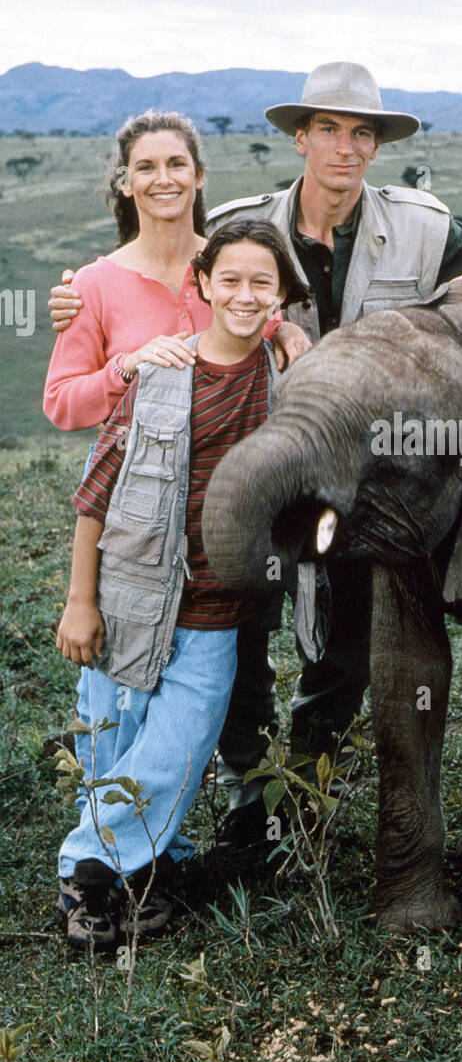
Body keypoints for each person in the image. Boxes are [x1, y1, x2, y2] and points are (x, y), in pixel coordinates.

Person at [49, 63, 462, 850]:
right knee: (239, 630)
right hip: (253, 464)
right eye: (328, 128)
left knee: (350, 643)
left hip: (363, 482)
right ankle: (248, 798)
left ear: (377, 145)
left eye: (362, 133)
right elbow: (163, 267)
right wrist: (75, 295)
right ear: (300, 137)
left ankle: (306, 795)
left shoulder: (420, 228)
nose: (345, 147)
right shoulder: (243, 221)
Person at [55, 220, 308, 950]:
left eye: (263, 281)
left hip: (218, 608)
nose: (244, 294)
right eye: (228, 278)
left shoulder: (286, 386)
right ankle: (126, 877)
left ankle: (88, 869)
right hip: (128, 593)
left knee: (176, 749)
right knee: (113, 741)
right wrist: (81, 600)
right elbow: (93, 495)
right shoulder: (158, 373)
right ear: (201, 284)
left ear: (282, 296)